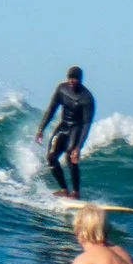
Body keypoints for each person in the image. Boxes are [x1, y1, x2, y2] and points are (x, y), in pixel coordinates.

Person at [35, 66, 95, 198]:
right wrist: (41, 129)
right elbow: (51, 109)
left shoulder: (87, 98)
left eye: (75, 78)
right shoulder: (62, 89)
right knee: (51, 157)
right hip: (63, 126)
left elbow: (86, 125)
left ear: (80, 80)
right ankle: (64, 189)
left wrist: (79, 147)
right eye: (70, 78)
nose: (72, 81)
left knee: (70, 156)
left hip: (77, 128)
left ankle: (76, 192)